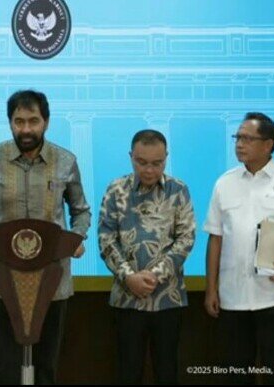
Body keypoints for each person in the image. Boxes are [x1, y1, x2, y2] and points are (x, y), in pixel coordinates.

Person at [0, 89, 91, 384]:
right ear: (10, 122)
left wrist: (76, 238)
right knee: (4, 367)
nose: (26, 129)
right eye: (18, 121)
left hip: (52, 278)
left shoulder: (65, 161)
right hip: (3, 278)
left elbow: (81, 210)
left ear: (46, 122)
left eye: (33, 121)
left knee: (46, 366)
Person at [203, 112, 274, 384]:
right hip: (233, 297)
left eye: (247, 138)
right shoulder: (224, 183)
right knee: (234, 373)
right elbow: (215, 238)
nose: (239, 144)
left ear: (268, 145)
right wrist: (211, 289)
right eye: (237, 137)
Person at [98, 129, 195, 384]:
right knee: (128, 372)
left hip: (168, 299)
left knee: (167, 371)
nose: (149, 170)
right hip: (127, 299)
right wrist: (129, 277)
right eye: (141, 162)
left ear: (166, 158)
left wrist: (154, 275)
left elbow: (186, 239)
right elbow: (106, 239)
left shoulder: (178, 190)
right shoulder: (116, 190)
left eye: (157, 163)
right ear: (131, 156)